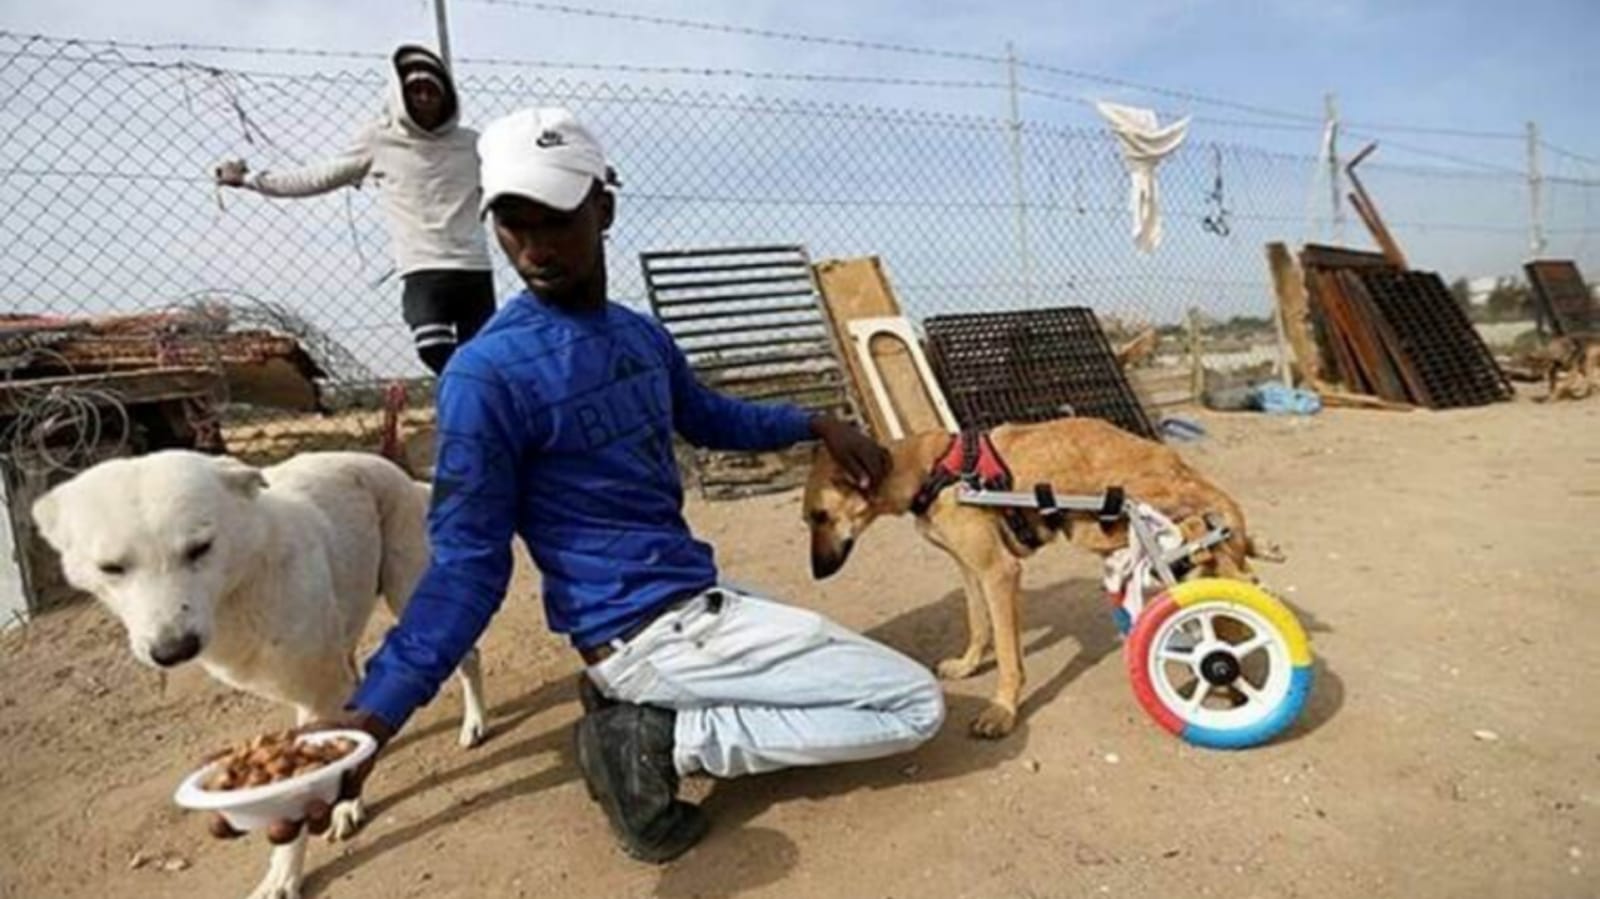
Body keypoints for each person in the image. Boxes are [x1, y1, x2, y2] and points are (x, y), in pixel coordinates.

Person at [219, 106, 945, 863]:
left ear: (603, 206)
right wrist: (370, 719)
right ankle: (666, 736)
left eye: (555, 218)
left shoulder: (638, 336)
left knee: (798, 648)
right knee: (910, 701)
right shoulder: (487, 375)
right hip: (643, 629)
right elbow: (466, 566)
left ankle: (637, 702)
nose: (533, 246)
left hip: (686, 599)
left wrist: (816, 424)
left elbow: (706, 416)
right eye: (513, 222)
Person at [214, 44, 493, 375]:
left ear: (448, 96)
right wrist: (249, 179)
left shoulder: (474, 145)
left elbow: (513, 185)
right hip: (424, 268)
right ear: (400, 95)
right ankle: (473, 403)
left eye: (432, 90)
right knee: (435, 351)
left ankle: (482, 417)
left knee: (484, 358)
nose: (424, 98)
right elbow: (317, 177)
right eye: (415, 90)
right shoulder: (379, 141)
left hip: (474, 268)